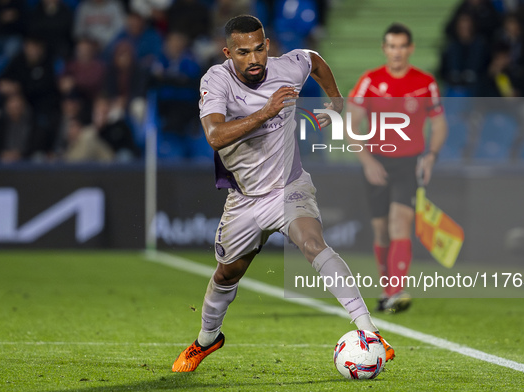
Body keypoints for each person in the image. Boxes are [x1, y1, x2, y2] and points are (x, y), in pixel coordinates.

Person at [172, 15, 395, 373]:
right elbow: (214, 135)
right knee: (227, 274)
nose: (254, 58)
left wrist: (335, 101)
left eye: (260, 48)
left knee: (313, 244)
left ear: (268, 45)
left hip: (290, 186)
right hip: (245, 198)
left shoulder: (287, 67)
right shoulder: (216, 80)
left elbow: (314, 59)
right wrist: (267, 111)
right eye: (244, 52)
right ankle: (206, 340)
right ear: (228, 53)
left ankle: (370, 331)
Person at [348, 23, 448, 313]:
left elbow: (439, 123)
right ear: (385, 49)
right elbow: (351, 125)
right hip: (377, 161)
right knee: (381, 231)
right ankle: (386, 290)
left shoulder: (425, 82)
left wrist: (431, 156)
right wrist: (367, 161)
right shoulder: (369, 81)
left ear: (410, 49)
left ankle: (396, 291)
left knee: (399, 224)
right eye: (392, 46)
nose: (397, 52)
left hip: (409, 162)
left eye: (402, 46)